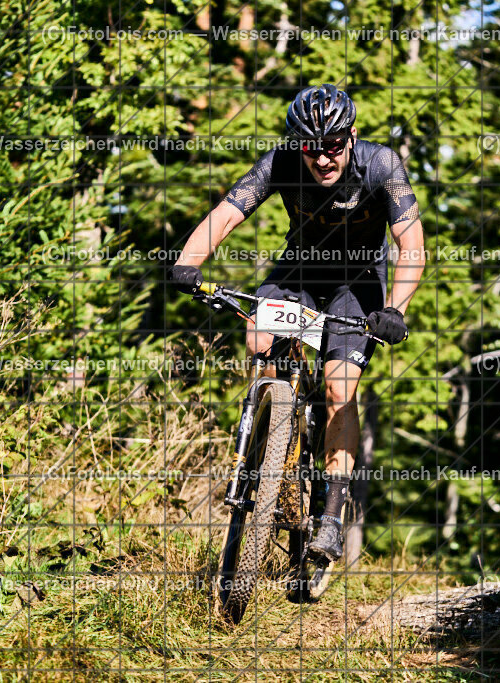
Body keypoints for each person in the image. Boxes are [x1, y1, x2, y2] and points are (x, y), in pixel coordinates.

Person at [171, 84, 425, 561]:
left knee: (338, 388)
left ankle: (330, 514)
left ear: (351, 137)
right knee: (259, 337)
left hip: (359, 282)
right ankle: (269, 449)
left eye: (332, 146)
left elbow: (411, 244)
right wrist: (188, 262)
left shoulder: (381, 164)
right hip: (300, 271)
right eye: (312, 147)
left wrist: (396, 309)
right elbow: (227, 214)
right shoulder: (282, 161)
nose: (322, 158)